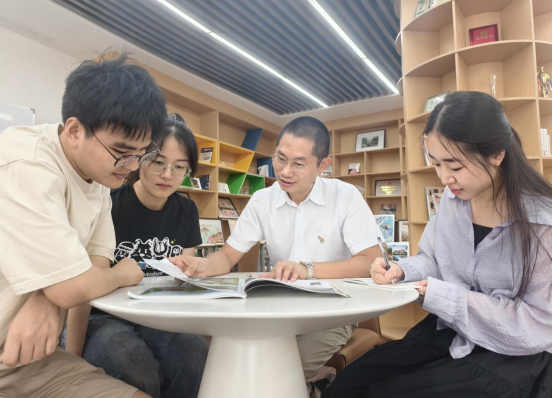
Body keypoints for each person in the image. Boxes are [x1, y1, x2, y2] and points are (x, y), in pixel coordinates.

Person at [325, 91, 552, 398]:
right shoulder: (452, 199)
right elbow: (433, 259)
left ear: (497, 155)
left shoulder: (542, 224)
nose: (445, 178)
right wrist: (401, 270)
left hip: (515, 353)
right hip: (450, 330)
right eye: (436, 164)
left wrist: (444, 296)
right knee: (350, 382)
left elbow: (537, 322)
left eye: (455, 167)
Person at [171, 116, 384, 397]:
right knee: (237, 362)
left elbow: (370, 262)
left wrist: (307, 269)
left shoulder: (345, 197)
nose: (285, 171)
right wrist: (204, 264)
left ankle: (312, 387)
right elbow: (227, 256)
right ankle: (315, 386)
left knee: (279, 372)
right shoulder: (262, 200)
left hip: (332, 313)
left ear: (323, 165)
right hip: (278, 309)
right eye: (280, 159)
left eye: (299, 163)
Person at [0, 52, 168, 397]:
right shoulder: (26, 161)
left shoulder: (100, 178)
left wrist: (47, 297)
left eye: (142, 154)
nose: (132, 167)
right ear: (76, 130)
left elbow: (95, 263)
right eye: (122, 151)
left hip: (32, 361)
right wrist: (125, 272)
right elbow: (76, 284)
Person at [64, 114, 209, 398]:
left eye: (180, 167)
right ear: (140, 157)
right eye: (158, 162)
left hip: (159, 314)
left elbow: (182, 280)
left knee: (196, 356)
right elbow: (85, 288)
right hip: (104, 315)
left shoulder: (187, 210)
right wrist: (71, 362)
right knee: (134, 365)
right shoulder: (109, 203)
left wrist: (192, 269)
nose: (167, 175)